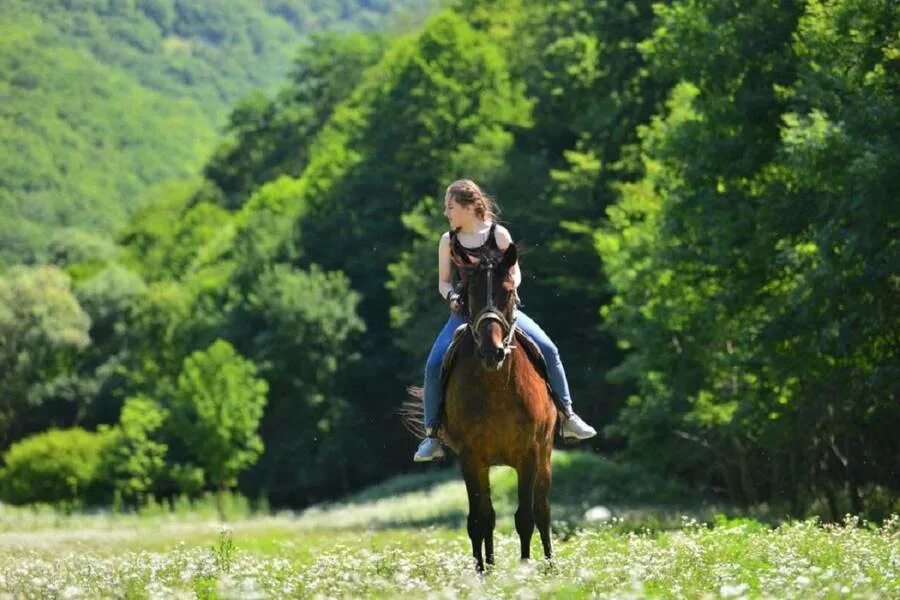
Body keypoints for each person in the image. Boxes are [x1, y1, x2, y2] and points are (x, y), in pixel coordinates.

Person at [414, 179, 597, 462]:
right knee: (434, 364)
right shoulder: (448, 241)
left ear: (468, 206)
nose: (446, 213)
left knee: (549, 350)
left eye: (450, 206)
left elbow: (516, 272)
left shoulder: (499, 235)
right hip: (464, 313)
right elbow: (443, 282)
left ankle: (568, 416)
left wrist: (509, 288)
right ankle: (432, 435)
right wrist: (451, 298)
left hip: (502, 312)